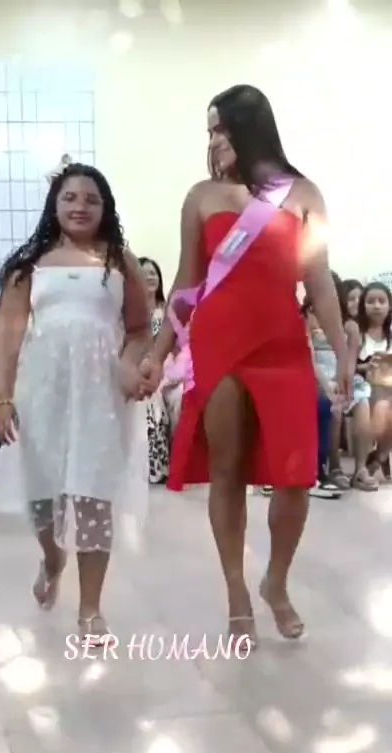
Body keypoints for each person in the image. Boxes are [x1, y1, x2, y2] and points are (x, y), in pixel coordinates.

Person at [140, 84, 350, 649]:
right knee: (227, 468)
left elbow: (319, 282)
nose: (213, 140)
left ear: (249, 127)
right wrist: (156, 355)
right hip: (219, 345)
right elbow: (186, 283)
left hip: (282, 346)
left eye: (221, 127)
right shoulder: (202, 197)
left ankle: (274, 581)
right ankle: (236, 591)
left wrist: (342, 351)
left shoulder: (302, 194)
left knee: (296, 475)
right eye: (209, 130)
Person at [0, 158, 151, 640]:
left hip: (102, 394)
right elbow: (7, 338)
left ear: (105, 208)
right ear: (54, 205)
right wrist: (1, 398)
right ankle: (52, 557)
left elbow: (140, 329)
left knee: (94, 496)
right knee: (44, 499)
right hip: (42, 391)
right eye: (70, 198)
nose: (81, 206)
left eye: (91, 199)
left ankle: (90, 610)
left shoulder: (120, 261)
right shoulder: (29, 268)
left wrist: (130, 363)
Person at [356, 282, 392, 479]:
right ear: (363, 305)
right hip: (365, 389)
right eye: (371, 301)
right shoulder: (357, 335)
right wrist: (365, 367)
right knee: (383, 407)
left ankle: (380, 456)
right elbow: (346, 366)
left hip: (388, 388)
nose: (377, 306)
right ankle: (378, 457)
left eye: (381, 301)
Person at [139, 256, 170, 483]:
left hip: (167, 366)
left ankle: (159, 466)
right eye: (145, 273)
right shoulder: (131, 312)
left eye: (153, 273)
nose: (150, 277)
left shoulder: (166, 311)